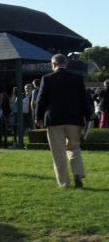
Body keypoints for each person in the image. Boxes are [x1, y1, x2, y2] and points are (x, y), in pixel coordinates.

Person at [35, 53, 92, 188]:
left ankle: (64, 183)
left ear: (53, 64)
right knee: (74, 147)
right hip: (74, 118)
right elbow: (84, 99)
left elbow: (41, 100)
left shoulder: (47, 78)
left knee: (58, 151)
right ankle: (78, 173)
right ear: (66, 64)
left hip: (54, 118)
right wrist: (88, 116)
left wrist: (38, 117)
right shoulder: (77, 78)